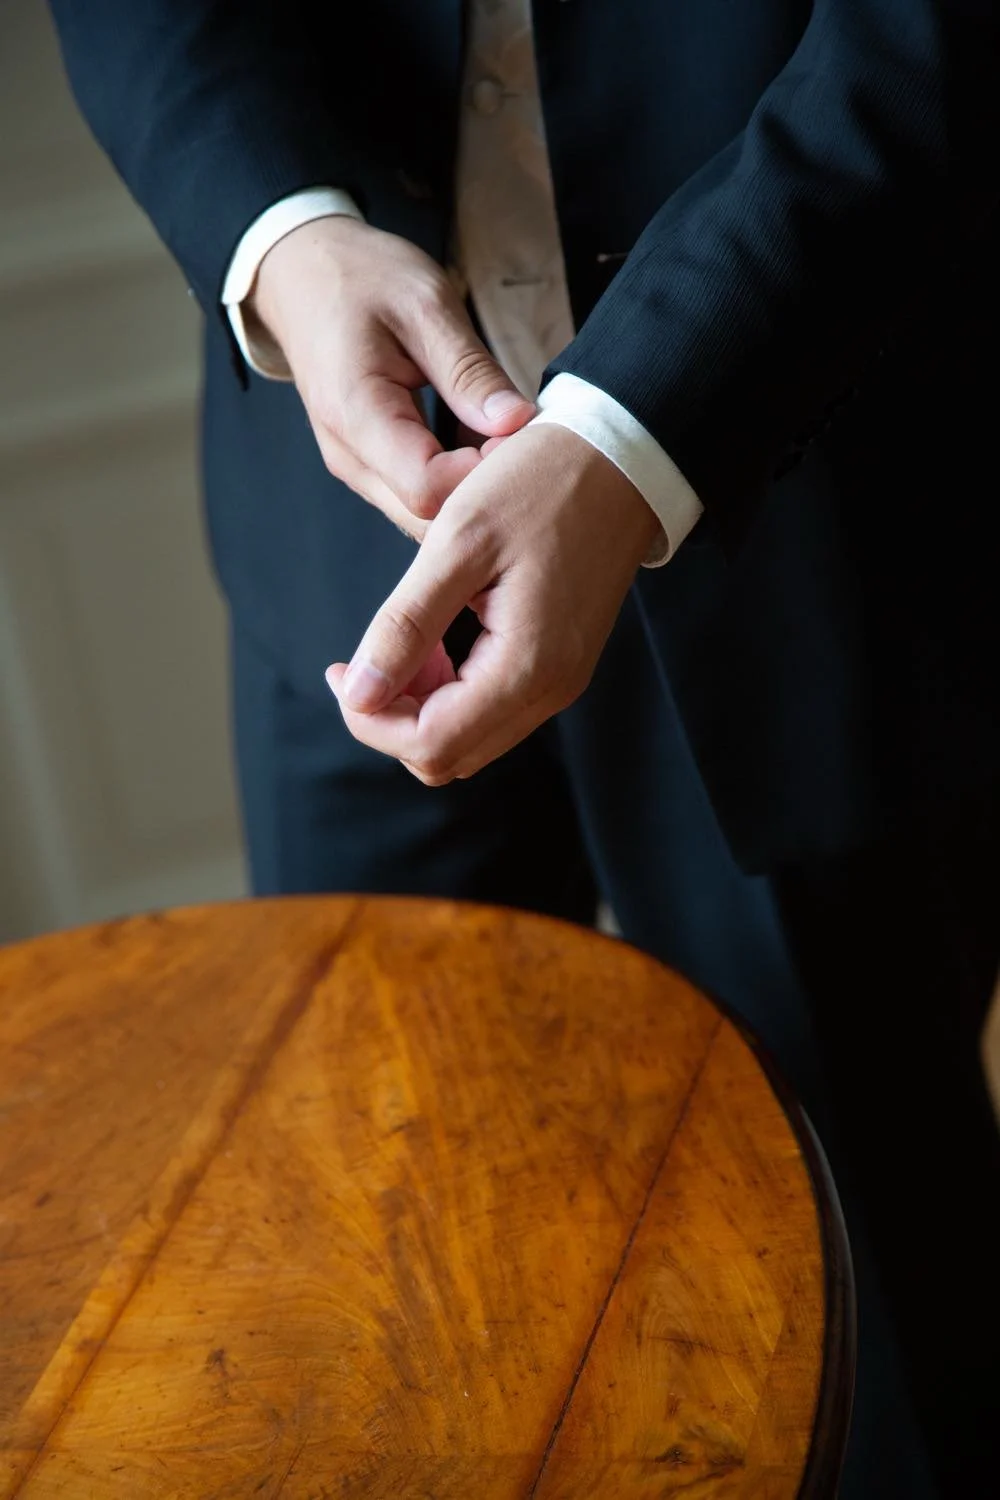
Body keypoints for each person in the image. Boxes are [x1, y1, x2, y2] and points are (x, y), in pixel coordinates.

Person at [48, 1, 998, 1492]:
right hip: (347, 548)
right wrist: (280, 229)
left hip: (818, 510)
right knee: (381, 1286)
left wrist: (637, 429)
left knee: (881, 1312)